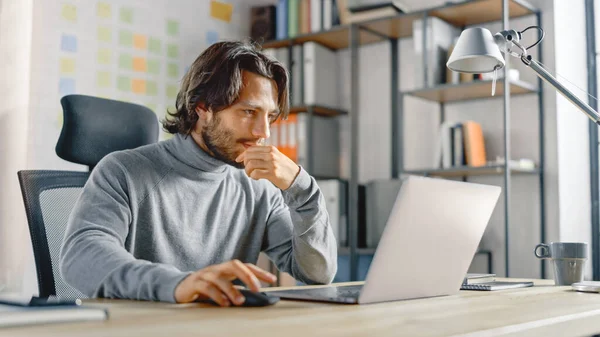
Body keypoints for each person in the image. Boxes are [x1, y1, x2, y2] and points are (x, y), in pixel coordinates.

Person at [59, 41, 337, 306]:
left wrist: (301, 189)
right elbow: (81, 256)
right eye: (249, 111)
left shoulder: (259, 190)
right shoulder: (121, 171)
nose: (263, 132)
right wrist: (179, 285)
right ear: (203, 107)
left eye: (270, 116)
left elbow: (317, 273)